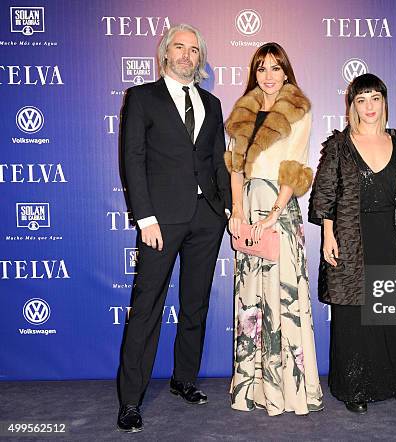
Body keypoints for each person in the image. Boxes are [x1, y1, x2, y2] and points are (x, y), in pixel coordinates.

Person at [117, 24, 231, 432]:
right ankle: (131, 400)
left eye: (194, 50)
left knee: (195, 305)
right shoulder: (142, 97)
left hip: (207, 218)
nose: (187, 55)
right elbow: (132, 157)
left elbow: (218, 160)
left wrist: (228, 210)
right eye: (179, 47)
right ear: (165, 54)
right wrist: (145, 217)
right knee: (147, 307)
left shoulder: (213, 103)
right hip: (160, 220)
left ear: (200, 59)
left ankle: (185, 379)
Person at [309, 74, 396, 414]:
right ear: (351, 106)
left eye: (375, 98)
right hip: (350, 234)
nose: (369, 106)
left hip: (393, 238)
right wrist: (328, 234)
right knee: (352, 315)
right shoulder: (340, 145)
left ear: (384, 102)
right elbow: (325, 194)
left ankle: (393, 381)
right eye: (361, 100)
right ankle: (353, 386)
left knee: (387, 313)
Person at [225, 42, 323, 416]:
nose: (268, 76)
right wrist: (237, 211)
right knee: (251, 297)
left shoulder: (299, 109)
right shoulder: (242, 111)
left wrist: (274, 213)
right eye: (262, 68)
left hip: (278, 208)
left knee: (283, 297)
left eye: (275, 68)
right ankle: (253, 389)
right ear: (255, 72)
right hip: (247, 207)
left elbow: (294, 166)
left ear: (286, 72)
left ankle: (290, 390)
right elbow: (235, 167)